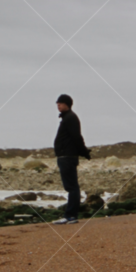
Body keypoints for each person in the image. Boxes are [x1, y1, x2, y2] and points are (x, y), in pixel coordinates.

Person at [53, 94, 91, 223]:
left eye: (60, 103)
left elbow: (77, 137)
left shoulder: (70, 118)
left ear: (67, 104)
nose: (58, 105)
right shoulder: (67, 118)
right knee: (71, 186)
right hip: (65, 156)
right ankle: (71, 215)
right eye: (57, 103)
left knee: (72, 187)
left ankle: (71, 216)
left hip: (67, 157)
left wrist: (84, 152)